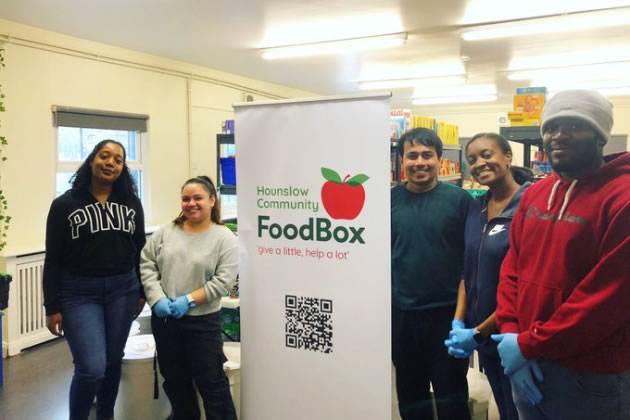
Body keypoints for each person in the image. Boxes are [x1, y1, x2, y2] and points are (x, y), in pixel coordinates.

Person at [492, 89, 630, 420]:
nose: (558, 136)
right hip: (528, 360)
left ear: (599, 135)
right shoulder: (536, 193)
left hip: (590, 373)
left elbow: (607, 299)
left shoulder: (621, 199)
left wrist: (528, 344)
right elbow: (512, 268)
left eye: (574, 126)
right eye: (552, 127)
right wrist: (512, 334)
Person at [43, 139, 146, 420]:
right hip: (79, 293)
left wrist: (142, 291)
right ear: (91, 160)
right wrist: (52, 306)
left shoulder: (131, 202)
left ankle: (105, 415)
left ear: (123, 168)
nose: (110, 163)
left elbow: (140, 250)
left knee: (113, 362)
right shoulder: (64, 204)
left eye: (118, 159)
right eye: (104, 156)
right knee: (91, 367)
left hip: (123, 290)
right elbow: (53, 258)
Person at [444, 133, 532, 420]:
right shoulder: (476, 206)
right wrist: (460, 321)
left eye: (487, 155)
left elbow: (525, 286)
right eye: (472, 160)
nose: (479, 163)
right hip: (483, 338)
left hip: (515, 337)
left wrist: (479, 332)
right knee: (506, 409)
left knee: (524, 410)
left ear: (508, 156)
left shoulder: (531, 207)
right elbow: (467, 271)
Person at [391, 127, 473, 420]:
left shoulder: (461, 201)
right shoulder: (387, 202)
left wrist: (461, 318)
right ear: (402, 161)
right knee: (411, 399)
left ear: (440, 159)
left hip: (446, 319)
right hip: (401, 317)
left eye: (427, 155)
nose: (420, 162)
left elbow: (470, 264)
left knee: (452, 399)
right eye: (412, 155)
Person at [141, 176, 238, 420]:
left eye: (198, 198)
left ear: (212, 200)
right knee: (175, 382)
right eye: (186, 198)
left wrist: (189, 300)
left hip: (202, 323)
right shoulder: (166, 231)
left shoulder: (224, 238)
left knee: (212, 384)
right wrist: (157, 299)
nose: (191, 203)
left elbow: (222, 281)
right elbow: (147, 264)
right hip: (166, 321)